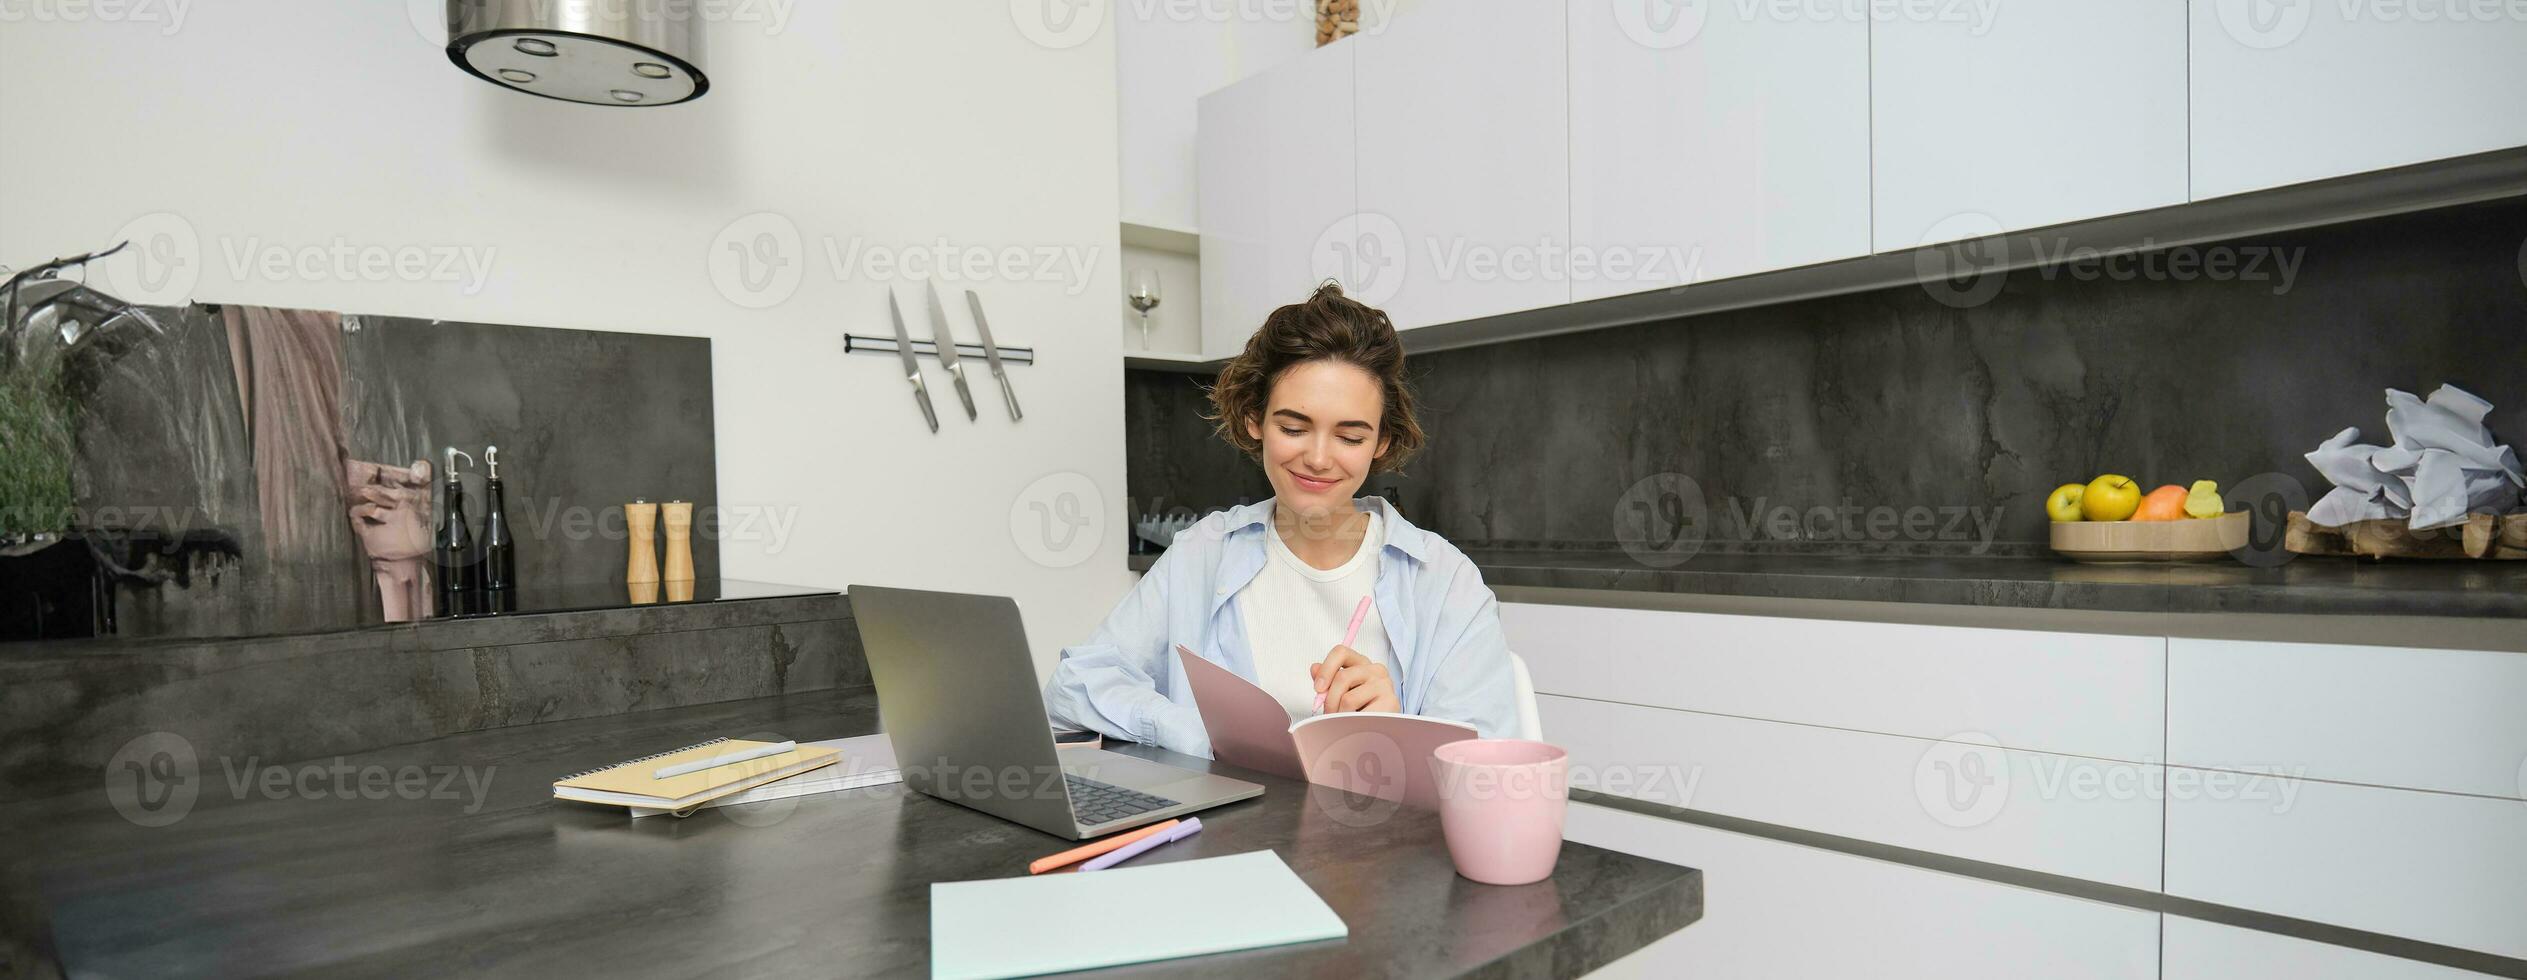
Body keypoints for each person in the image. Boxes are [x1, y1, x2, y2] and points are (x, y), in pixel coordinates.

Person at [1045, 283, 1518, 756]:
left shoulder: (1444, 582)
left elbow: (1489, 772)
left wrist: (1398, 736)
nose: (1317, 458)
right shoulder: (1203, 552)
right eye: (1293, 428)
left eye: (1350, 438)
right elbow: (1075, 687)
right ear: (1255, 419)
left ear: (1382, 443)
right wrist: (1190, 732)